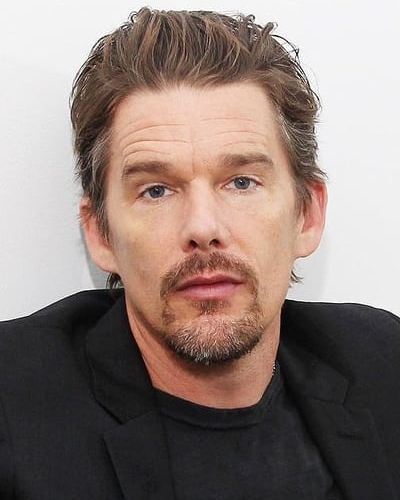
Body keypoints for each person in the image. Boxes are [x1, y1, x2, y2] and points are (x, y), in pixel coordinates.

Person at [0, 7, 399, 499]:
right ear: (100, 234)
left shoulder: (382, 363)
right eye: (156, 190)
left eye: (241, 182)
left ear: (307, 215)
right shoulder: (13, 406)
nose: (203, 228)